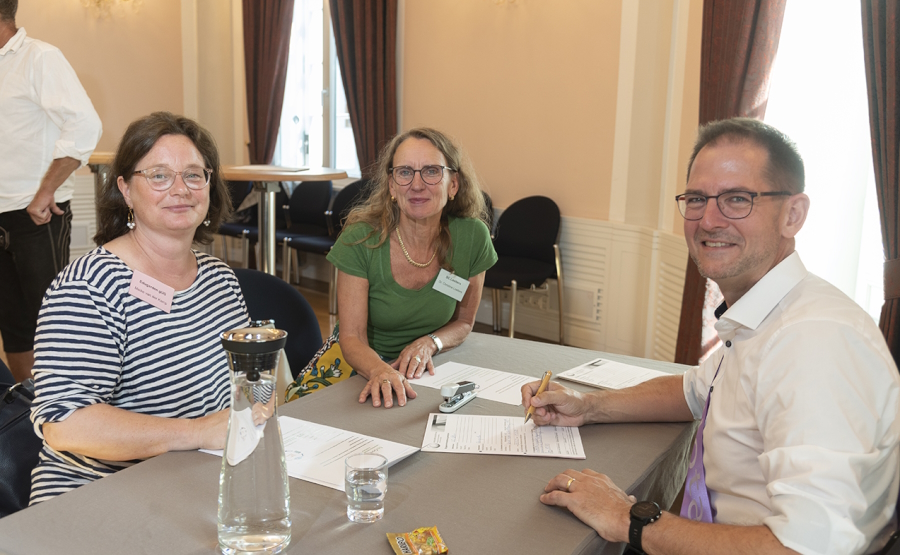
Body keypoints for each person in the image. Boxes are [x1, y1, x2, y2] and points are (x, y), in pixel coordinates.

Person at [522, 118, 900, 555]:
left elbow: (808, 549)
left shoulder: (814, 342)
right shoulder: (766, 311)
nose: (709, 220)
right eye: (698, 199)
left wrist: (629, 520)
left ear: (792, 215)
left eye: (738, 199)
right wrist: (589, 407)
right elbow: (696, 390)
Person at [29, 112, 250, 504]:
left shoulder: (220, 280)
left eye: (194, 174)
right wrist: (197, 432)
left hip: (191, 483)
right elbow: (65, 426)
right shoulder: (88, 287)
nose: (180, 189)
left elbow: (241, 388)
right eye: (159, 175)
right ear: (126, 191)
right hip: (96, 495)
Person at [286, 128, 497, 407]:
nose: (417, 185)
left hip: (426, 368)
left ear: (453, 184)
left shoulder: (473, 237)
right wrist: (381, 370)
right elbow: (352, 337)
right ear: (392, 185)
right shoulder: (361, 237)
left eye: (432, 171)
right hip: (358, 363)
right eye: (405, 172)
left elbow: (464, 322)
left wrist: (429, 343)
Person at [0, 0, 103, 382]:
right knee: (14, 327)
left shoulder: (39, 58)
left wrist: (46, 191)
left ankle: (66, 413)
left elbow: (84, 126)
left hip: (35, 216)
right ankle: (27, 415)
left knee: (52, 324)